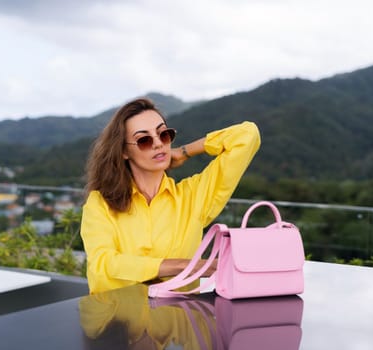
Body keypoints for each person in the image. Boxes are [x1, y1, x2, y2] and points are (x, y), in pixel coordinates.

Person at [80, 97, 260, 294]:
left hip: (180, 320)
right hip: (119, 320)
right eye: (144, 140)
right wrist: (183, 266)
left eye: (163, 134)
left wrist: (184, 151)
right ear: (124, 151)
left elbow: (247, 135)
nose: (158, 144)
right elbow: (103, 263)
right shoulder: (100, 203)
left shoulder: (193, 196)